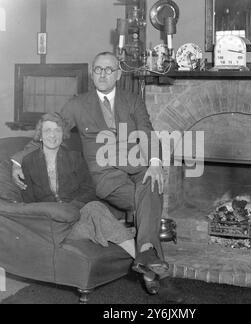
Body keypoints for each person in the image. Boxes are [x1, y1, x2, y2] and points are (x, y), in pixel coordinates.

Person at [12, 52, 181, 302]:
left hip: (136, 167)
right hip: (103, 176)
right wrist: (18, 160)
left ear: (118, 75)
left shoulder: (132, 100)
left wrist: (155, 162)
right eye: (98, 69)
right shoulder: (77, 104)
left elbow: (146, 131)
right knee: (149, 203)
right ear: (92, 73)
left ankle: (146, 258)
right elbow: (51, 131)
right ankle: (156, 271)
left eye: (108, 70)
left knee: (152, 183)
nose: (102, 74)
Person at [21, 112, 160, 292]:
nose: (52, 135)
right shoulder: (28, 162)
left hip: (77, 218)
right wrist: (52, 213)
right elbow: (29, 200)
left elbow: (89, 190)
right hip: (53, 226)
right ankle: (145, 261)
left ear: (63, 134)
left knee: (95, 208)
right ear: (40, 134)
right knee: (100, 220)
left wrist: (73, 208)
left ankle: (141, 261)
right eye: (48, 130)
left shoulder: (75, 158)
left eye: (57, 130)